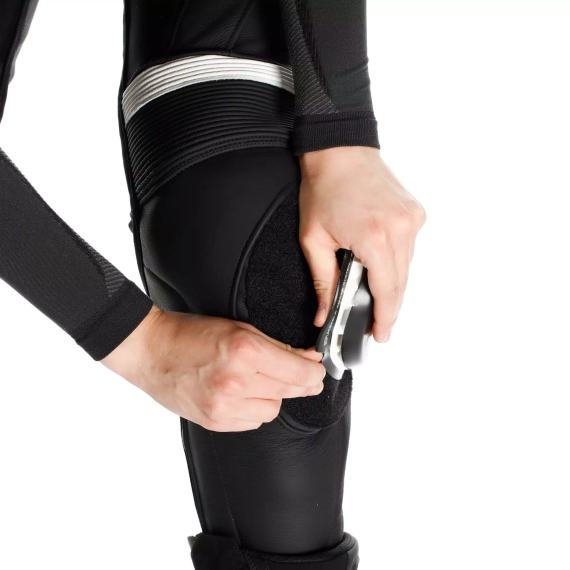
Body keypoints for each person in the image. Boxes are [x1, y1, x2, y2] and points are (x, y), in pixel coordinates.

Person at [0, 1, 426, 568]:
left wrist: (341, 136)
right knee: (273, 347)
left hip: (268, 76)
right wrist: (141, 344)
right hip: (223, 120)